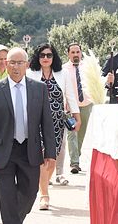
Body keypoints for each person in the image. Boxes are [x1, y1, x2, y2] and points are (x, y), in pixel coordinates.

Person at [0, 47, 55, 224]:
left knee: (30, 192)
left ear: (27, 65)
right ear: (5, 65)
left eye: (20, 62)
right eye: (11, 62)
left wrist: (50, 152)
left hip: (29, 149)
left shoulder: (38, 89)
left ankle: (14, 221)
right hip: (3, 150)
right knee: (6, 194)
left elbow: (46, 123)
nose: (15, 66)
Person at [26, 43, 80, 211]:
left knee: (53, 158)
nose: (46, 58)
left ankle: (41, 186)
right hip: (36, 122)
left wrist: (77, 118)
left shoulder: (62, 74)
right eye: (42, 55)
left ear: (54, 57)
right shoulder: (30, 74)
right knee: (42, 158)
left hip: (57, 121)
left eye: (49, 55)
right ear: (38, 57)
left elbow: (70, 96)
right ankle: (44, 195)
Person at [63, 43, 92, 174]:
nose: (75, 54)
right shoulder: (63, 69)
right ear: (68, 54)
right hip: (70, 107)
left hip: (86, 105)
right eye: (73, 52)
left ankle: (77, 156)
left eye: (77, 52)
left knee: (81, 134)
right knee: (72, 133)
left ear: (81, 53)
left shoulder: (88, 68)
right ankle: (74, 163)